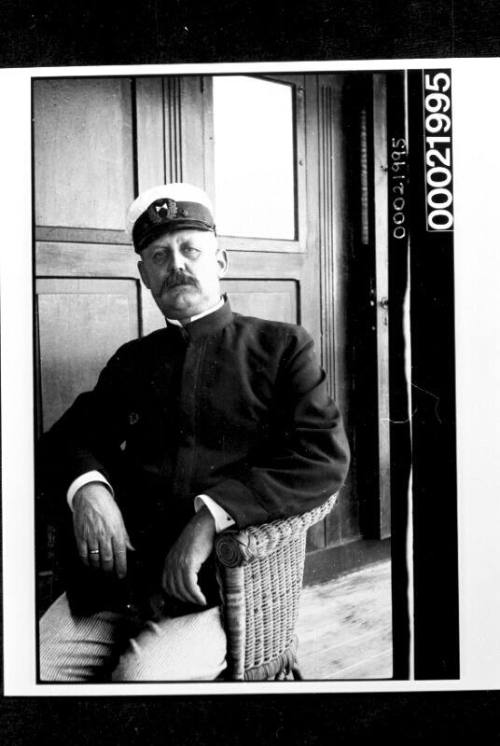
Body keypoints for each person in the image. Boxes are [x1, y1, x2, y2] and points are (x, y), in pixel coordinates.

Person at [37, 183, 350, 682]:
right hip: (117, 582)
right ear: (144, 275)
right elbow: (67, 438)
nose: (176, 264)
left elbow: (321, 456)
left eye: (190, 250)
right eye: (158, 255)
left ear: (219, 259)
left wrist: (209, 519)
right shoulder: (133, 360)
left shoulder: (281, 347)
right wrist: (89, 491)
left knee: (140, 684)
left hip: (212, 588)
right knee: (33, 668)